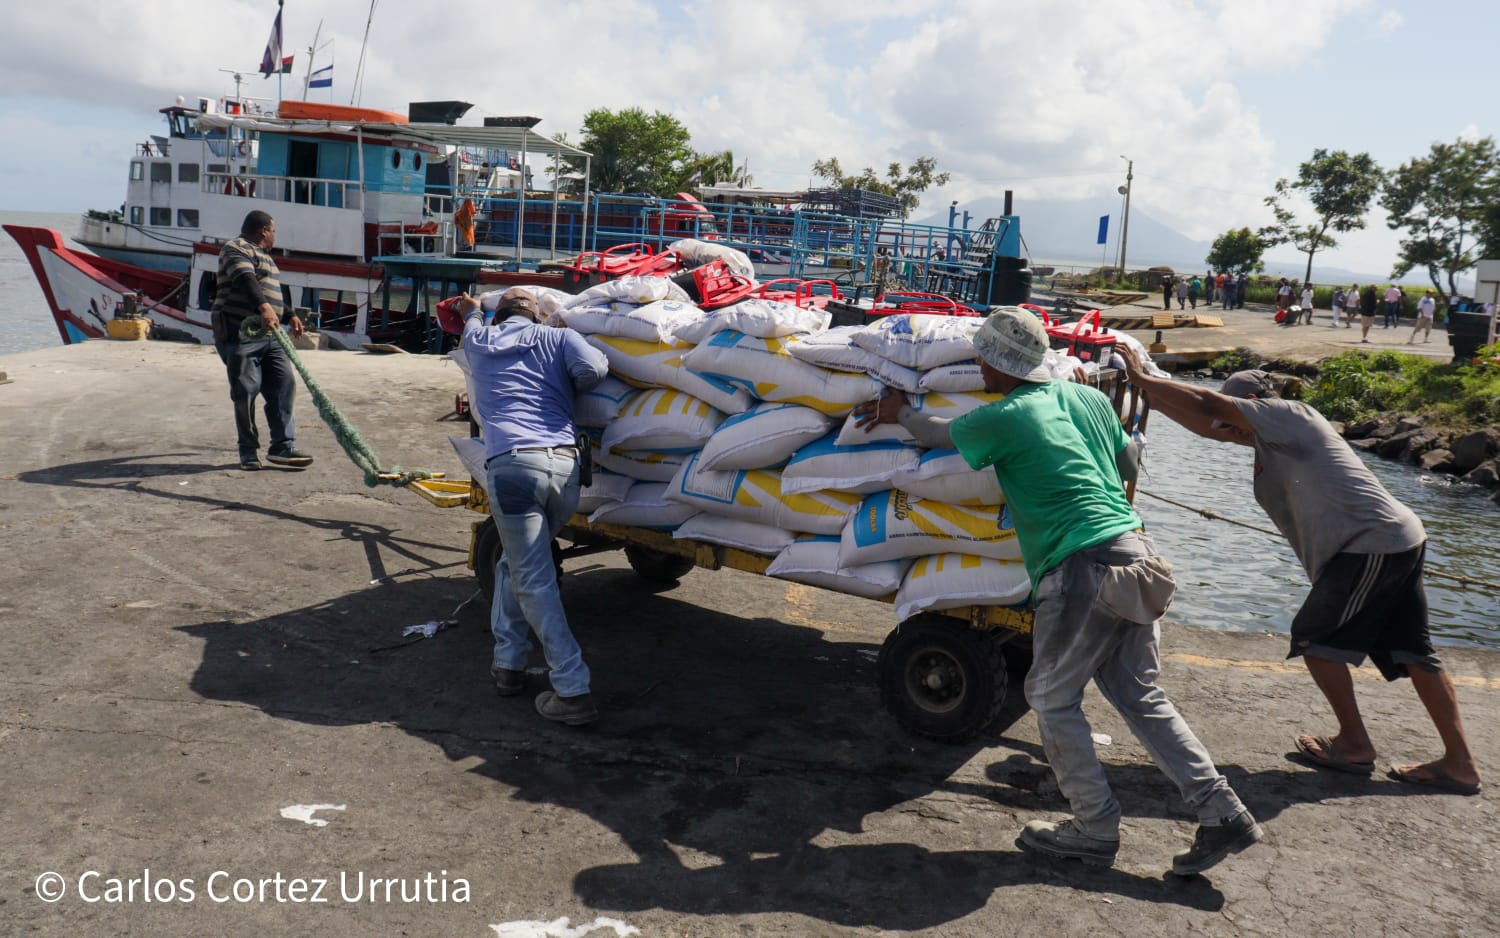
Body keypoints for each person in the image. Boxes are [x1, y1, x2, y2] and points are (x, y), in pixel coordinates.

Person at [853, 309, 1263, 876]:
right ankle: (1223, 812)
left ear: (996, 363)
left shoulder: (1005, 416)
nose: (975, 365)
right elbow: (1128, 459)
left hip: (1080, 569)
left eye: (981, 358)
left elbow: (936, 436)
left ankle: (1094, 828)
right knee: (1141, 696)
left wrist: (900, 410)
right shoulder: (1091, 401)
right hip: (1136, 554)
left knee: (1049, 696)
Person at [1116, 354, 1483, 797]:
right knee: (1413, 650)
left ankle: (1353, 745)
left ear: (1253, 403)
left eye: (1235, 417)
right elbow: (1206, 423)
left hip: (1369, 544)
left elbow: (1210, 408)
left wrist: (1142, 376)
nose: (1229, 432)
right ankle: (1460, 765)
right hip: (1392, 539)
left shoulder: (1291, 416)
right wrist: (1148, 394)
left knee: (1314, 637)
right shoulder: (1271, 440)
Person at [449, 287, 611, 726]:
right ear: (537, 316)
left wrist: (471, 309)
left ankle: (572, 687)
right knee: (514, 565)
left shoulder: (480, 340)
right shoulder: (557, 339)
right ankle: (509, 665)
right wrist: (562, 381)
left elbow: (471, 318)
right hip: (564, 468)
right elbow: (596, 368)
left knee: (532, 577)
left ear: (500, 317)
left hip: (514, 469)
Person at [210, 210, 312, 471]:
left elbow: (269, 290)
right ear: (264, 230)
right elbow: (246, 280)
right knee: (245, 390)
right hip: (241, 334)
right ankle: (247, 449)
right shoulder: (235, 248)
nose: (274, 236)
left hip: (271, 336)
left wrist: (288, 314)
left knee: (283, 384)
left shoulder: (266, 257)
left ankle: (282, 446)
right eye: (274, 231)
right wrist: (264, 309)